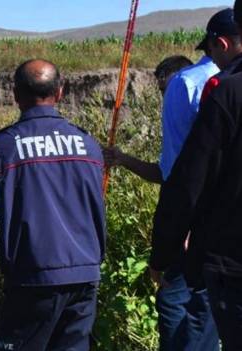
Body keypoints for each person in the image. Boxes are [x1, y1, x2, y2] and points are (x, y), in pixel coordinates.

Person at [0, 59, 105, 351]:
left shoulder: (3, 146)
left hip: (32, 275)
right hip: (85, 274)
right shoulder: (88, 144)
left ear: (15, 95)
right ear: (60, 92)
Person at [103, 45, 221, 350]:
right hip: (193, 222)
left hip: (193, 225)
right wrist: (124, 160)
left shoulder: (195, 97)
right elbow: (166, 172)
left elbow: (189, 181)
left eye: (165, 90)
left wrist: (188, 228)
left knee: (176, 302)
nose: (165, 99)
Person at [149, 1, 242, 348]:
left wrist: (167, 245)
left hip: (222, 250)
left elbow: (186, 175)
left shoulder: (217, 88)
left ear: (220, 43)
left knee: (185, 311)